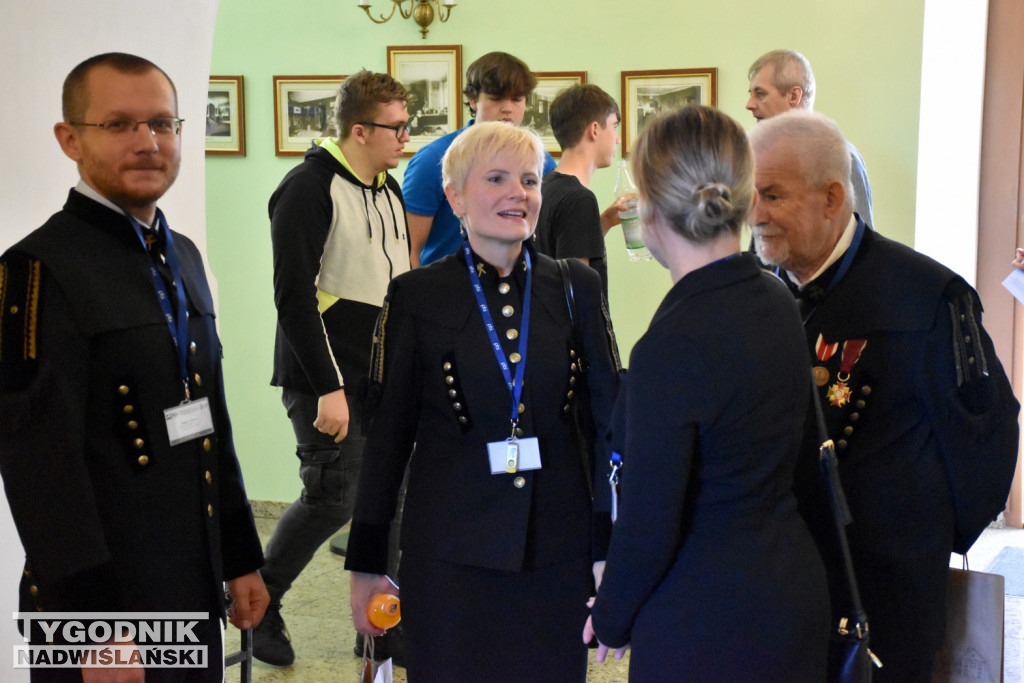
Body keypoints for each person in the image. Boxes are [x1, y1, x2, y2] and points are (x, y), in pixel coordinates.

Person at [0, 52, 268, 682]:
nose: (148, 143)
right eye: (118, 125)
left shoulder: (184, 255)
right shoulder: (37, 270)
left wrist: (239, 556)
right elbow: (40, 466)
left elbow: (210, 423)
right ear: (70, 139)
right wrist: (91, 628)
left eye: (162, 124)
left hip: (190, 578)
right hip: (105, 603)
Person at [344, 121, 622, 681]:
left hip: (557, 553)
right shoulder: (417, 295)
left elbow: (607, 430)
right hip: (449, 555)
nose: (518, 193)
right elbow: (389, 439)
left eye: (529, 179)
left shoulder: (575, 288)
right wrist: (367, 562)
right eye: (496, 178)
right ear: (455, 196)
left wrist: (607, 548)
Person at [749, 109, 1019, 681]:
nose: (755, 214)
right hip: (782, 580)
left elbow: (985, 438)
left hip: (887, 587)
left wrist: (915, 540)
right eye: (748, 194)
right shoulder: (753, 294)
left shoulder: (926, 296)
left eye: (772, 195)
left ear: (832, 197)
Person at [585, 106, 830, 681]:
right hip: (790, 591)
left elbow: (650, 518)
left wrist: (612, 616)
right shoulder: (775, 299)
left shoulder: (671, 344)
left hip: (708, 618)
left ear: (647, 209)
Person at [261, 70, 411, 666]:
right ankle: (259, 602)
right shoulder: (306, 188)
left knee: (389, 501)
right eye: (397, 128)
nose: (406, 138)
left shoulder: (389, 190)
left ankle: (378, 622)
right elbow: (293, 298)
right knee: (334, 497)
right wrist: (330, 388)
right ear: (359, 129)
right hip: (324, 381)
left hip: (382, 380)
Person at [404, 51, 557, 268]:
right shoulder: (433, 160)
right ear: (473, 100)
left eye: (517, 99)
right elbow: (408, 251)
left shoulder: (543, 162)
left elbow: (554, 235)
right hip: (446, 289)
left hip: (520, 289)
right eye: (496, 98)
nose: (508, 108)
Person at [746, 49, 875, 229]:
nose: (749, 105)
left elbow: (860, 244)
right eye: (750, 93)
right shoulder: (762, 159)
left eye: (760, 94)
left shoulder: (842, 159)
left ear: (794, 96)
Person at [533, 84, 624, 300]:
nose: (617, 139)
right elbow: (577, 295)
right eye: (613, 127)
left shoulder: (543, 186)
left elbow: (560, 254)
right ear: (594, 129)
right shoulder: (579, 199)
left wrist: (606, 221)